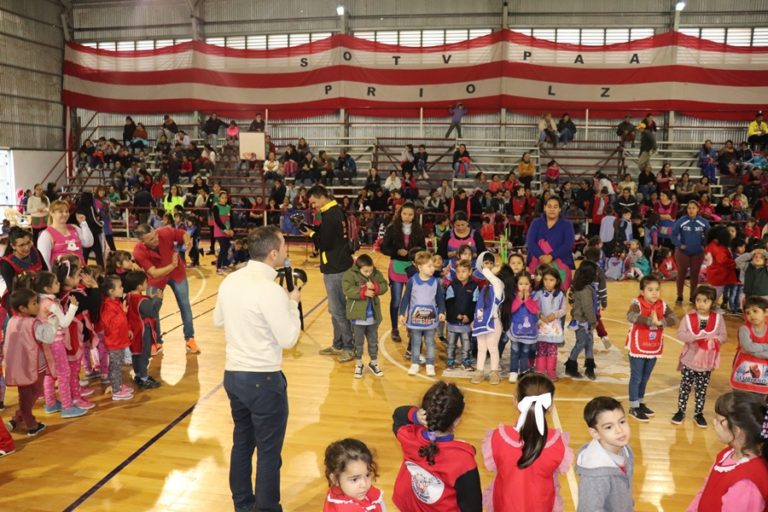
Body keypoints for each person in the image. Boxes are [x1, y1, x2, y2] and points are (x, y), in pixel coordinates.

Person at [213, 226, 302, 512]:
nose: (287, 250)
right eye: (285, 245)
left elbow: (217, 320)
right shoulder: (271, 291)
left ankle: (242, 505)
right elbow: (288, 339)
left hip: (234, 375)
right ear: (273, 253)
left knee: (242, 443)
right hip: (263, 379)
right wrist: (291, 305)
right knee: (268, 453)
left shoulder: (231, 281)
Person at [483, 372, 572, 512]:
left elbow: (497, 466)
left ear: (516, 401)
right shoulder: (557, 444)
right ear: (550, 407)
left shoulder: (497, 438)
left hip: (505, 505)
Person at [392, 381, 482, 511]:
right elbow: (472, 507)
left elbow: (398, 415)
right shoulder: (463, 461)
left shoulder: (409, 436)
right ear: (457, 421)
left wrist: (415, 416)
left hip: (409, 506)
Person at [687, 391, 768, 511]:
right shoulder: (726, 454)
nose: (713, 422)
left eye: (719, 420)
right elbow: (704, 491)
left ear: (736, 430)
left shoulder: (746, 483)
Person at [303, 185, 355, 362]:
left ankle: (349, 347)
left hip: (335, 267)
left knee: (338, 310)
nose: (313, 206)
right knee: (336, 310)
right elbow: (328, 235)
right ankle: (338, 344)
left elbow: (324, 243)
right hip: (338, 264)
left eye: (314, 202)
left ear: (322, 197)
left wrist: (310, 234)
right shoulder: (336, 210)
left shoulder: (329, 214)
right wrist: (311, 229)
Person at [132, 224, 198, 355]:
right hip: (158, 277)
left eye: (155, 235)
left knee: (185, 305)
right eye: (151, 239)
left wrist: (187, 242)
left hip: (177, 274)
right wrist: (172, 265)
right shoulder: (138, 252)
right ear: (142, 241)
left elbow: (183, 234)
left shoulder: (165, 232)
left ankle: (190, 338)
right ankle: (156, 341)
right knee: (152, 307)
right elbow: (154, 273)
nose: (156, 239)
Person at [31, 271, 85, 418]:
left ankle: (50, 403)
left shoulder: (37, 302)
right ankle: (67, 407)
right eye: (56, 283)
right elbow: (65, 322)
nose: (59, 284)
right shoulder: (52, 305)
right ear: (48, 289)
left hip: (43, 343)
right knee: (64, 373)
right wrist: (73, 307)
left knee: (49, 373)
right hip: (55, 343)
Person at [671, 285, 725, 429]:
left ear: (712, 302)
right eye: (698, 300)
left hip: (706, 362)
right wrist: (695, 338)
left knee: (702, 389)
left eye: (705, 301)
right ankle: (680, 411)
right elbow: (680, 334)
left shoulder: (718, 318)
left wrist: (713, 340)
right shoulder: (688, 317)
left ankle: (698, 413)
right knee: (685, 387)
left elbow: (723, 336)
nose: (701, 303)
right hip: (689, 360)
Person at [626, 275, 677, 422]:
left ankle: (640, 402)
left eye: (657, 290)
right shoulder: (637, 303)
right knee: (636, 377)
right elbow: (630, 316)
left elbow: (674, 319)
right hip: (638, 346)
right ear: (642, 292)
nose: (654, 293)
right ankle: (633, 406)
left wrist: (661, 321)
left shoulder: (663, 304)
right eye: (650, 290)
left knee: (646, 377)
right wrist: (650, 321)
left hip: (653, 347)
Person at [576, 397, 634, 512]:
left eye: (622, 422)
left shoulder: (625, 450)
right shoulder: (596, 476)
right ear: (595, 433)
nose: (619, 430)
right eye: (609, 427)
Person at [3, 288, 47, 437]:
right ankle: (31, 424)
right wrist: (53, 323)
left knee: (26, 395)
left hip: (19, 365)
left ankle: (17, 418)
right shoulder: (33, 323)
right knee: (29, 396)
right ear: (22, 308)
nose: (38, 306)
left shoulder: (12, 321)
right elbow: (48, 337)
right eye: (34, 303)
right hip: (33, 366)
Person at [399, 251, 446, 377]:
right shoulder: (412, 281)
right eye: (429, 266)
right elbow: (405, 298)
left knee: (430, 342)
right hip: (415, 320)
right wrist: (401, 313)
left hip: (430, 320)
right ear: (420, 267)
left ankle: (430, 364)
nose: (432, 268)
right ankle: (415, 363)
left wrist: (441, 311)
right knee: (416, 341)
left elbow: (440, 299)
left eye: (432, 266)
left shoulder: (436, 282)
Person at [341, 254, 388, 379]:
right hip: (357, 318)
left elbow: (384, 285)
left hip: (373, 318)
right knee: (358, 343)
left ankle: (374, 363)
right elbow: (347, 289)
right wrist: (363, 291)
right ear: (358, 268)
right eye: (365, 271)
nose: (368, 273)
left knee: (373, 342)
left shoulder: (375, 274)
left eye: (370, 270)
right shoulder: (350, 274)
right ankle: (359, 364)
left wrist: (376, 287)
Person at [526, 196, 575, 290]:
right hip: (537, 260)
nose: (552, 209)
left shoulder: (567, 224)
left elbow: (568, 244)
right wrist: (541, 256)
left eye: (555, 207)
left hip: (561, 261)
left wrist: (551, 256)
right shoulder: (536, 222)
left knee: (559, 292)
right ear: (544, 208)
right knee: (536, 292)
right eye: (549, 206)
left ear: (560, 209)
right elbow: (530, 242)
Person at [124, 270, 162, 391]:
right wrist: (158, 300)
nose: (147, 283)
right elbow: (152, 312)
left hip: (134, 331)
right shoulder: (141, 300)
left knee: (136, 353)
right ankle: (144, 378)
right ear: (139, 286)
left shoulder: (128, 296)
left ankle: (139, 375)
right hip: (143, 332)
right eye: (146, 282)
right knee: (144, 354)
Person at [470, 252, 504, 385]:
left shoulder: (498, 283)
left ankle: (494, 372)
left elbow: (487, 273)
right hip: (481, 321)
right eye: (486, 263)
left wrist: (485, 268)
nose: (489, 267)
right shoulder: (483, 286)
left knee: (492, 347)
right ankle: (479, 371)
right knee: (481, 348)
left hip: (493, 322)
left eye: (491, 263)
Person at [323, 439, 385, 511]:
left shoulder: (356, 492)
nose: (364, 484)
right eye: (355, 479)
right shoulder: (344, 509)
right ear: (335, 479)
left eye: (367, 475)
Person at [99, 275, 135, 401]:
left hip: (120, 340)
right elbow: (112, 325)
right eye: (119, 287)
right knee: (115, 366)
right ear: (111, 291)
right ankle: (116, 390)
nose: (122, 288)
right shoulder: (107, 307)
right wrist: (123, 313)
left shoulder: (116, 302)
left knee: (118, 365)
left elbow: (122, 321)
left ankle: (118, 385)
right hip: (114, 343)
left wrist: (128, 329)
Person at [564, 261, 599, 380]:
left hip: (585, 320)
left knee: (589, 343)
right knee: (581, 343)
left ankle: (590, 368)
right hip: (582, 321)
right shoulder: (585, 290)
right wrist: (593, 321)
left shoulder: (585, 287)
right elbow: (588, 307)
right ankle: (570, 365)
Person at [672, 201, 710, 306]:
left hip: (698, 252)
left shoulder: (704, 222)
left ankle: (693, 296)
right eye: (689, 208)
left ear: (698, 209)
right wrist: (679, 245)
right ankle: (679, 296)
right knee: (681, 274)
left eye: (693, 208)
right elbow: (673, 235)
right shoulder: (681, 221)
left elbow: (709, 235)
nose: (691, 210)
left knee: (695, 275)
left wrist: (704, 245)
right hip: (683, 252)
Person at [37, 200, 93, 269]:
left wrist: (83, 223)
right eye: (61, 212)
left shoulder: (74, 227)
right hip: (61, 276)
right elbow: (44, 261)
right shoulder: (46, 235)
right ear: (52, 213)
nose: (65, 214)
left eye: (66, 211)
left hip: (80, 272)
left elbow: (88, 243)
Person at [731, 296, 768, 395]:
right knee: (741, 398)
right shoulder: (744, 329)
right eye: (748, 312)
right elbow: (747, 347)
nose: (751, 315)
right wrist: (765, 346)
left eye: (755, 311)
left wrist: (752, 351)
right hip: (743, 369)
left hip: (764, 373)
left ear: (766, 312)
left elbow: (749, 349)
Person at [506, 272, 539, 383]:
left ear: (531, 284)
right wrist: (519, 299)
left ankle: (523, 372)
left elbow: (534, 310)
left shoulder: (534, 295)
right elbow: (512, 309)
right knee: (515, 351)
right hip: (516, 329)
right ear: (516, 285)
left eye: (526, 284)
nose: (523, 286)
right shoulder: (514, 295)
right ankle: (513, 371)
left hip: (529, 331)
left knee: (525, 351)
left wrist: (528, 299)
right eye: (521, 284)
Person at [445, 260, 477, 370]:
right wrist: (456, 315)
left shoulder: (474, 286)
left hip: (466, 322)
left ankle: (466, 362)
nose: (460, 274)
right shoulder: (452, 285)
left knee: (467, 344)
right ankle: (450, 361)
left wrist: (468, 316)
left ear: (470, 272)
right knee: (451, 344)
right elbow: (449, 303)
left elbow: (474, 304)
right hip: (453, 322)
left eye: (464, 271)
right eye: (458, 271)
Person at [534, 268, 565, 381]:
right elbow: (534, 307)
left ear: (557, 281)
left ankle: (551, 371)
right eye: (545, 279)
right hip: (542, 325)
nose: (548, 282)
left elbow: (563, 310)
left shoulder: (560, 294)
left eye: (551, 280)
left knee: (552, 350)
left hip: (554, 326)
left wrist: (555, 315)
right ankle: (540, 370)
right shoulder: (538, 293)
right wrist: (540, 314)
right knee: (541, 349)